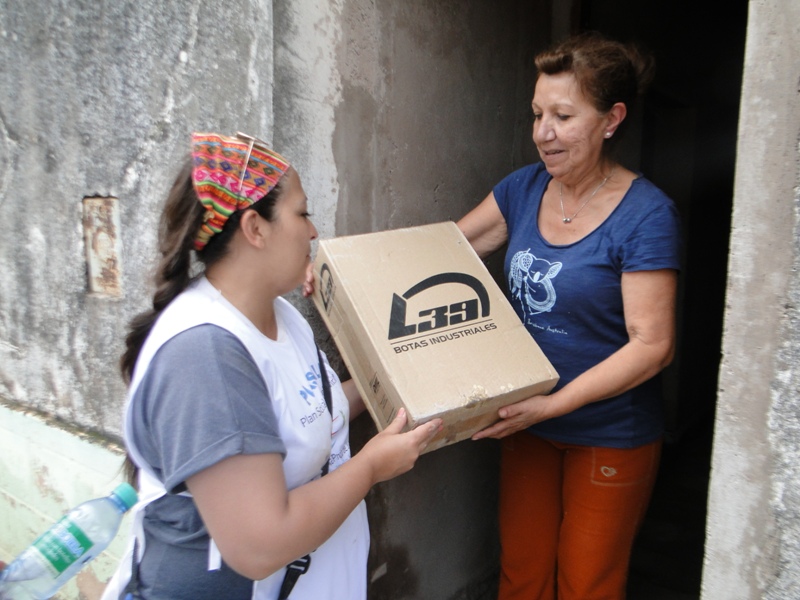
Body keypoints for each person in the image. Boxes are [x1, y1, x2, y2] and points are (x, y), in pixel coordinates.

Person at [101, 132, 442, 600]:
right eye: (303, 214)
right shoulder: (205, 357)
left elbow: (307, 409)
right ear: (255, 228)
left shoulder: (280, 317)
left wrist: (389, 375)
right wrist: (370, 467)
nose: (314, 231)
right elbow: (259, 545)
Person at [457, 32, 681, 600]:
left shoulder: (647, 214)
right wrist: (338, 270)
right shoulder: (523, 189)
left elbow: (653, 345)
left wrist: (552, 404)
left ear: (612, 120)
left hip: (608, 433)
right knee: (523, 576)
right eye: (537, 114)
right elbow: (437, 255)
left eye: (562, 115)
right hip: (529, 424)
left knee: (588, 586)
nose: (542, 133)